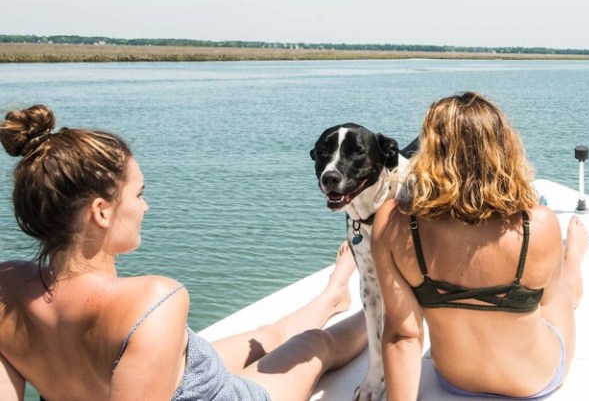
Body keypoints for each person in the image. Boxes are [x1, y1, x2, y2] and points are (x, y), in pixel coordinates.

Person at [0, 105, 367, 401]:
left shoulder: (6, 287)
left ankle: (334, 292)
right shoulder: (153, 301)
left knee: (268, 335)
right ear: (100, 211)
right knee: (315, 343)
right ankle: (377, 315)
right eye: (139, 194)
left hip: (182, 372)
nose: (146, 207)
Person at [372, 91, 589, 400]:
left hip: (454, 378)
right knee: (562, 295)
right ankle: (575, 257)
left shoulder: (393, 223)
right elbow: (546, 301)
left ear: (430, 150)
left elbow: (402, 336)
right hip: (535, 379)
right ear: (504, 149)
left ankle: (572, 259)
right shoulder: (538, 224)